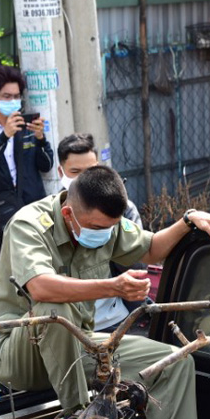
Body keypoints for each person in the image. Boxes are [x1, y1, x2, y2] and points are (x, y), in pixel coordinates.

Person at [0, 166, 210, 419]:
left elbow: (153, 248)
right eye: (99, 228)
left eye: (112, 228)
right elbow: (40, 286)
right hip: (20, 355)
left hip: (78, 346)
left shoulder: (105, 225)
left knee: (173, 362)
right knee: (55, 310)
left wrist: (188, 220)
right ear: (69, 213)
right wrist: (114, 285)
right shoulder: (29, 224)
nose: (107, 234)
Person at [56, 132, 143, 331]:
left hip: (118, 319)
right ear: (61, 173)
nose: (84, 180)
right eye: (76, 172)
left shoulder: (124, 209)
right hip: (72, 327)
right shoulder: (47, 215)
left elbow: (137, 258)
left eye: (90, 171)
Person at [0, 67, 54, 262]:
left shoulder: (26, 128)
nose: (13, 101)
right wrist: (3, 135)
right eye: (7, 97)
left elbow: (47, 165)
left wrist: (41, 139)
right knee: (8, 268)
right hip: (6, 211)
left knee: (43, 263)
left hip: (35, 208)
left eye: (16, 96)